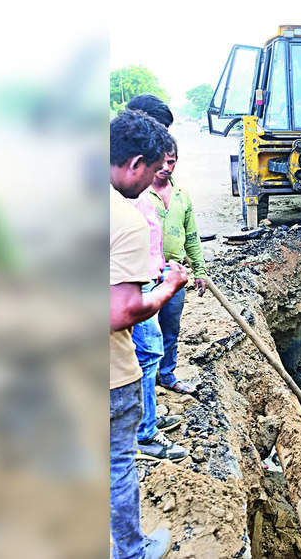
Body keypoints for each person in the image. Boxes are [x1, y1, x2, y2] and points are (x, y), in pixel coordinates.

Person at [109, 109, 186, 559]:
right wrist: (168, 288)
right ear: (136, 163)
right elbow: (121, 312)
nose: (155, 179)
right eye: (154, 170)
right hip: (108, 373)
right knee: (117, 466)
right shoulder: (126, 220)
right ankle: (130, 552)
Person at [125, 94, 208, 396]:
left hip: (170, 272)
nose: (165, 164)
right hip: (139, 277)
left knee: (167, 331)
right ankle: (141, 407)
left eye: (170, 159)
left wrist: (199, 270)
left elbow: (192, 237)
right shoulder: (133, 191)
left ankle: (166, 374)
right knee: (143, 340)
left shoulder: (181, 195)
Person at [128, 130, 185, 460]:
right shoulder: (126, 195)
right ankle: (144, 433)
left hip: (149, 276)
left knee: (147, 354)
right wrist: (164, 286)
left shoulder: (139, 193)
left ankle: (146, 419)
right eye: (158, 162)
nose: (164, 168)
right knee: (147, 353)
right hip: (139, 282)